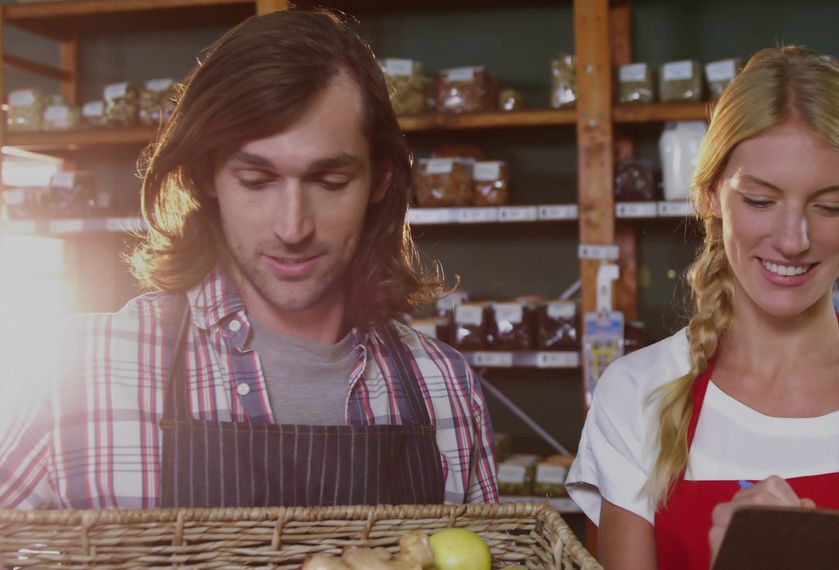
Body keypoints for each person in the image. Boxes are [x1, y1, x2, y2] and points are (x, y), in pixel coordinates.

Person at [0, 9, 498, 510]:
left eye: (330, 182)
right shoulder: (79, 376)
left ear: (380, 182)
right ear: (204, 177)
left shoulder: (445, 391)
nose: (292, 227)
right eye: (256, 181)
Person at [565, 46, 839, 569]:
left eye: (830, 205)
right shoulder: (636, 395)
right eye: (760, 200)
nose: (793, 239)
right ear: (712, 194)